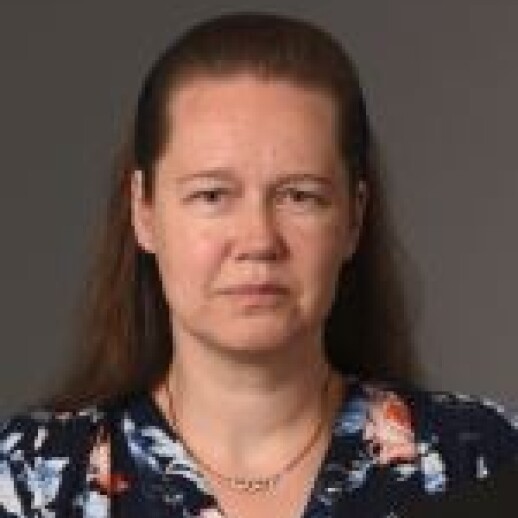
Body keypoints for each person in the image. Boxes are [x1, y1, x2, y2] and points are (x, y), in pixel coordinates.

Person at [1, 11, 517, 518]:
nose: (258, 240)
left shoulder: (485, 461)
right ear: (144, 211)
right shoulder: (29, 481)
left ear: (354, 217)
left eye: (300, 196)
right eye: (211, 195)